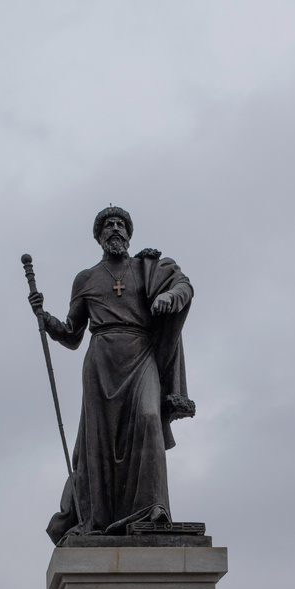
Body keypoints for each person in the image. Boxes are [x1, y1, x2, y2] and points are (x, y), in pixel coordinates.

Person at [29, 206, 194, 543]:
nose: (115, 228)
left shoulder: (148, 268)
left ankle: (154, 508)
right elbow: (73, 333)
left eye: (121, 224)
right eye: (108, 225)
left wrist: (169, 297)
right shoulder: (86, 278)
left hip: (140, 353)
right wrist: (46, 320)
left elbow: (184, 286)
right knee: (99, 441)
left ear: (129, 234)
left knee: (149, 419)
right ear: (99, 236)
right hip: (101, 360)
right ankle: (99, 516)